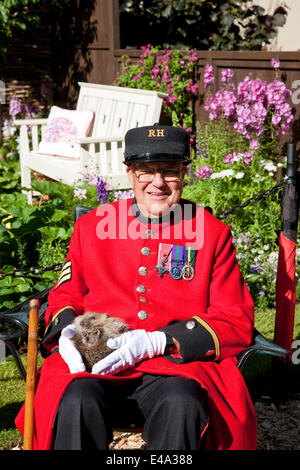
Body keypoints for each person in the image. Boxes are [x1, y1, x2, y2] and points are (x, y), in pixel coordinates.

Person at [15, 124, 256, 450]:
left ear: (184, 174)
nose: (158, 183)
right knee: (74, 400)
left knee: (181, 403)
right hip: (97, 360)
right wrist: (70, 331)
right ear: (129, 174)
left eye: (170, 171)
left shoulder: (212, 234)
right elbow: (66, 294)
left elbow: (234, 317)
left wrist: (158, 340)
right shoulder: (90, 228)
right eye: (146, 171)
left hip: (173, 365)